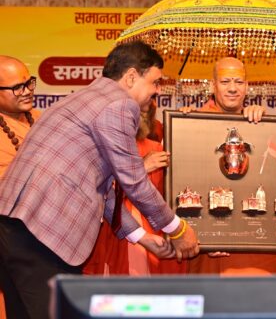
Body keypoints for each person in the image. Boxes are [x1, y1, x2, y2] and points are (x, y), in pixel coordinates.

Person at [0, 41, 199, 319]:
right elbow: (134, 181)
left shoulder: (83, 99)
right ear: (131, 77)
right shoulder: (119, 104)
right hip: (43, 234)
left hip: (14, 230)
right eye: (155, 82)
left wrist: (141, 237)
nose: (157, 91)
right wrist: (177, 229)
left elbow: (104, 189)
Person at [187, 56, 276, 275]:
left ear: (247, 86)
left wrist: (262, 126)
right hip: (210, 250)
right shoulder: (192, 123)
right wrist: (206, 237)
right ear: (213, 85)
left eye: (239, 82)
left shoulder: (260, 123)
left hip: (258, 250)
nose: (233, 88)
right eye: (225, 82)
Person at [84, 99, 186, 275]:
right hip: (114, 234)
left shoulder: (158, 149)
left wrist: (187, 121)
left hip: (152, 239)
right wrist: (141, 169)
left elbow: (175, 198)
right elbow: (101, 192)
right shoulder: (102, 146)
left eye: (145, 110)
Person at [0, 56, 42, 319]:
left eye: (28, 83)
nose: (26, 91)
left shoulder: (40, 118)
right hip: (11, 236)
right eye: (17, 87)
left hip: (44, 238)